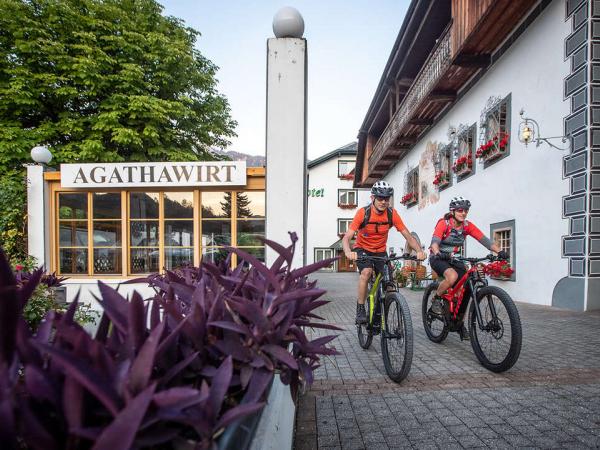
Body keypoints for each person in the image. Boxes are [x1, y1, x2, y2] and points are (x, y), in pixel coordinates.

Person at [342, 180, 425, 324]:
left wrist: (419, 250)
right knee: (366, 272)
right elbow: (347, 237)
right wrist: (348, 251)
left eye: (386, 198)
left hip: (380, 252)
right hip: (362, 250)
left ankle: (383, 314)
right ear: (372, 198)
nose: (383, 202)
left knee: (390, 285)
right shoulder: (363, 213)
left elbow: (407, 235)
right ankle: (361, 308)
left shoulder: (392, 214)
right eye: (380, 198)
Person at [429, 196, 508, 340]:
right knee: (452, 276)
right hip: (438, 258)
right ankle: (436, 298)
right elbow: (435, 242)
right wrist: (437, 252)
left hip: (455, 258)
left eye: (466, 210)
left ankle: (459, 323)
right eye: (460, 210)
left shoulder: (467, 226)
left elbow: (484, 240)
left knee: (464, 291)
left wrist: (499, 251)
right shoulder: (444, 224)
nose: (463, 213)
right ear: (453, 211)